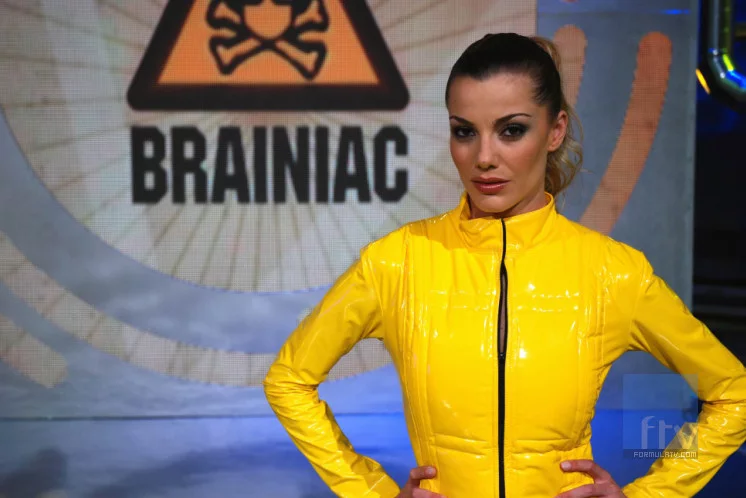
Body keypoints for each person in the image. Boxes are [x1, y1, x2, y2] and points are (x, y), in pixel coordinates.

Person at [263, 33, 746, 498]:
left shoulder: (612, 272)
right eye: (464, 132)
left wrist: (651, 494)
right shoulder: (397, 261)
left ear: (555, 131)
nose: (484, 158)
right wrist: (371, 491)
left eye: (512, 130)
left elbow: (734, 395)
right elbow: (288, 381)